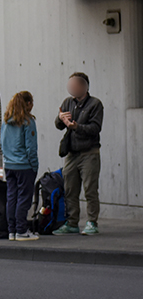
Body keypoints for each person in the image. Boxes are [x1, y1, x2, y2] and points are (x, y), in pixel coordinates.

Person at [54, 71, 103, 235]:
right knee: (70, 189)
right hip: (71, 153)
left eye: (74, 85)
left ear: (84, 87)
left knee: (90, 189)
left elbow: (95, 128)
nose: (71, 88)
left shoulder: (95, 104)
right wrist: (60, 118)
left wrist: (76, 127)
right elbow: (58, 125)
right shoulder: (68, 102)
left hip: (89, 152)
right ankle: (72, 223)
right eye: (70, 85)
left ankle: (92, 222)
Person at [0, 91, 38, 241]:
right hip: (24, 166)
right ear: (28, 104)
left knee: (12, 197)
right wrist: (34, 166)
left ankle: (12, 231)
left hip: (9, 165)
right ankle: (21, 230)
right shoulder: (28, 122)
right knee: (24, 198)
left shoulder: (6, 121)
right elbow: (31, 148)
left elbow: (2, 143)